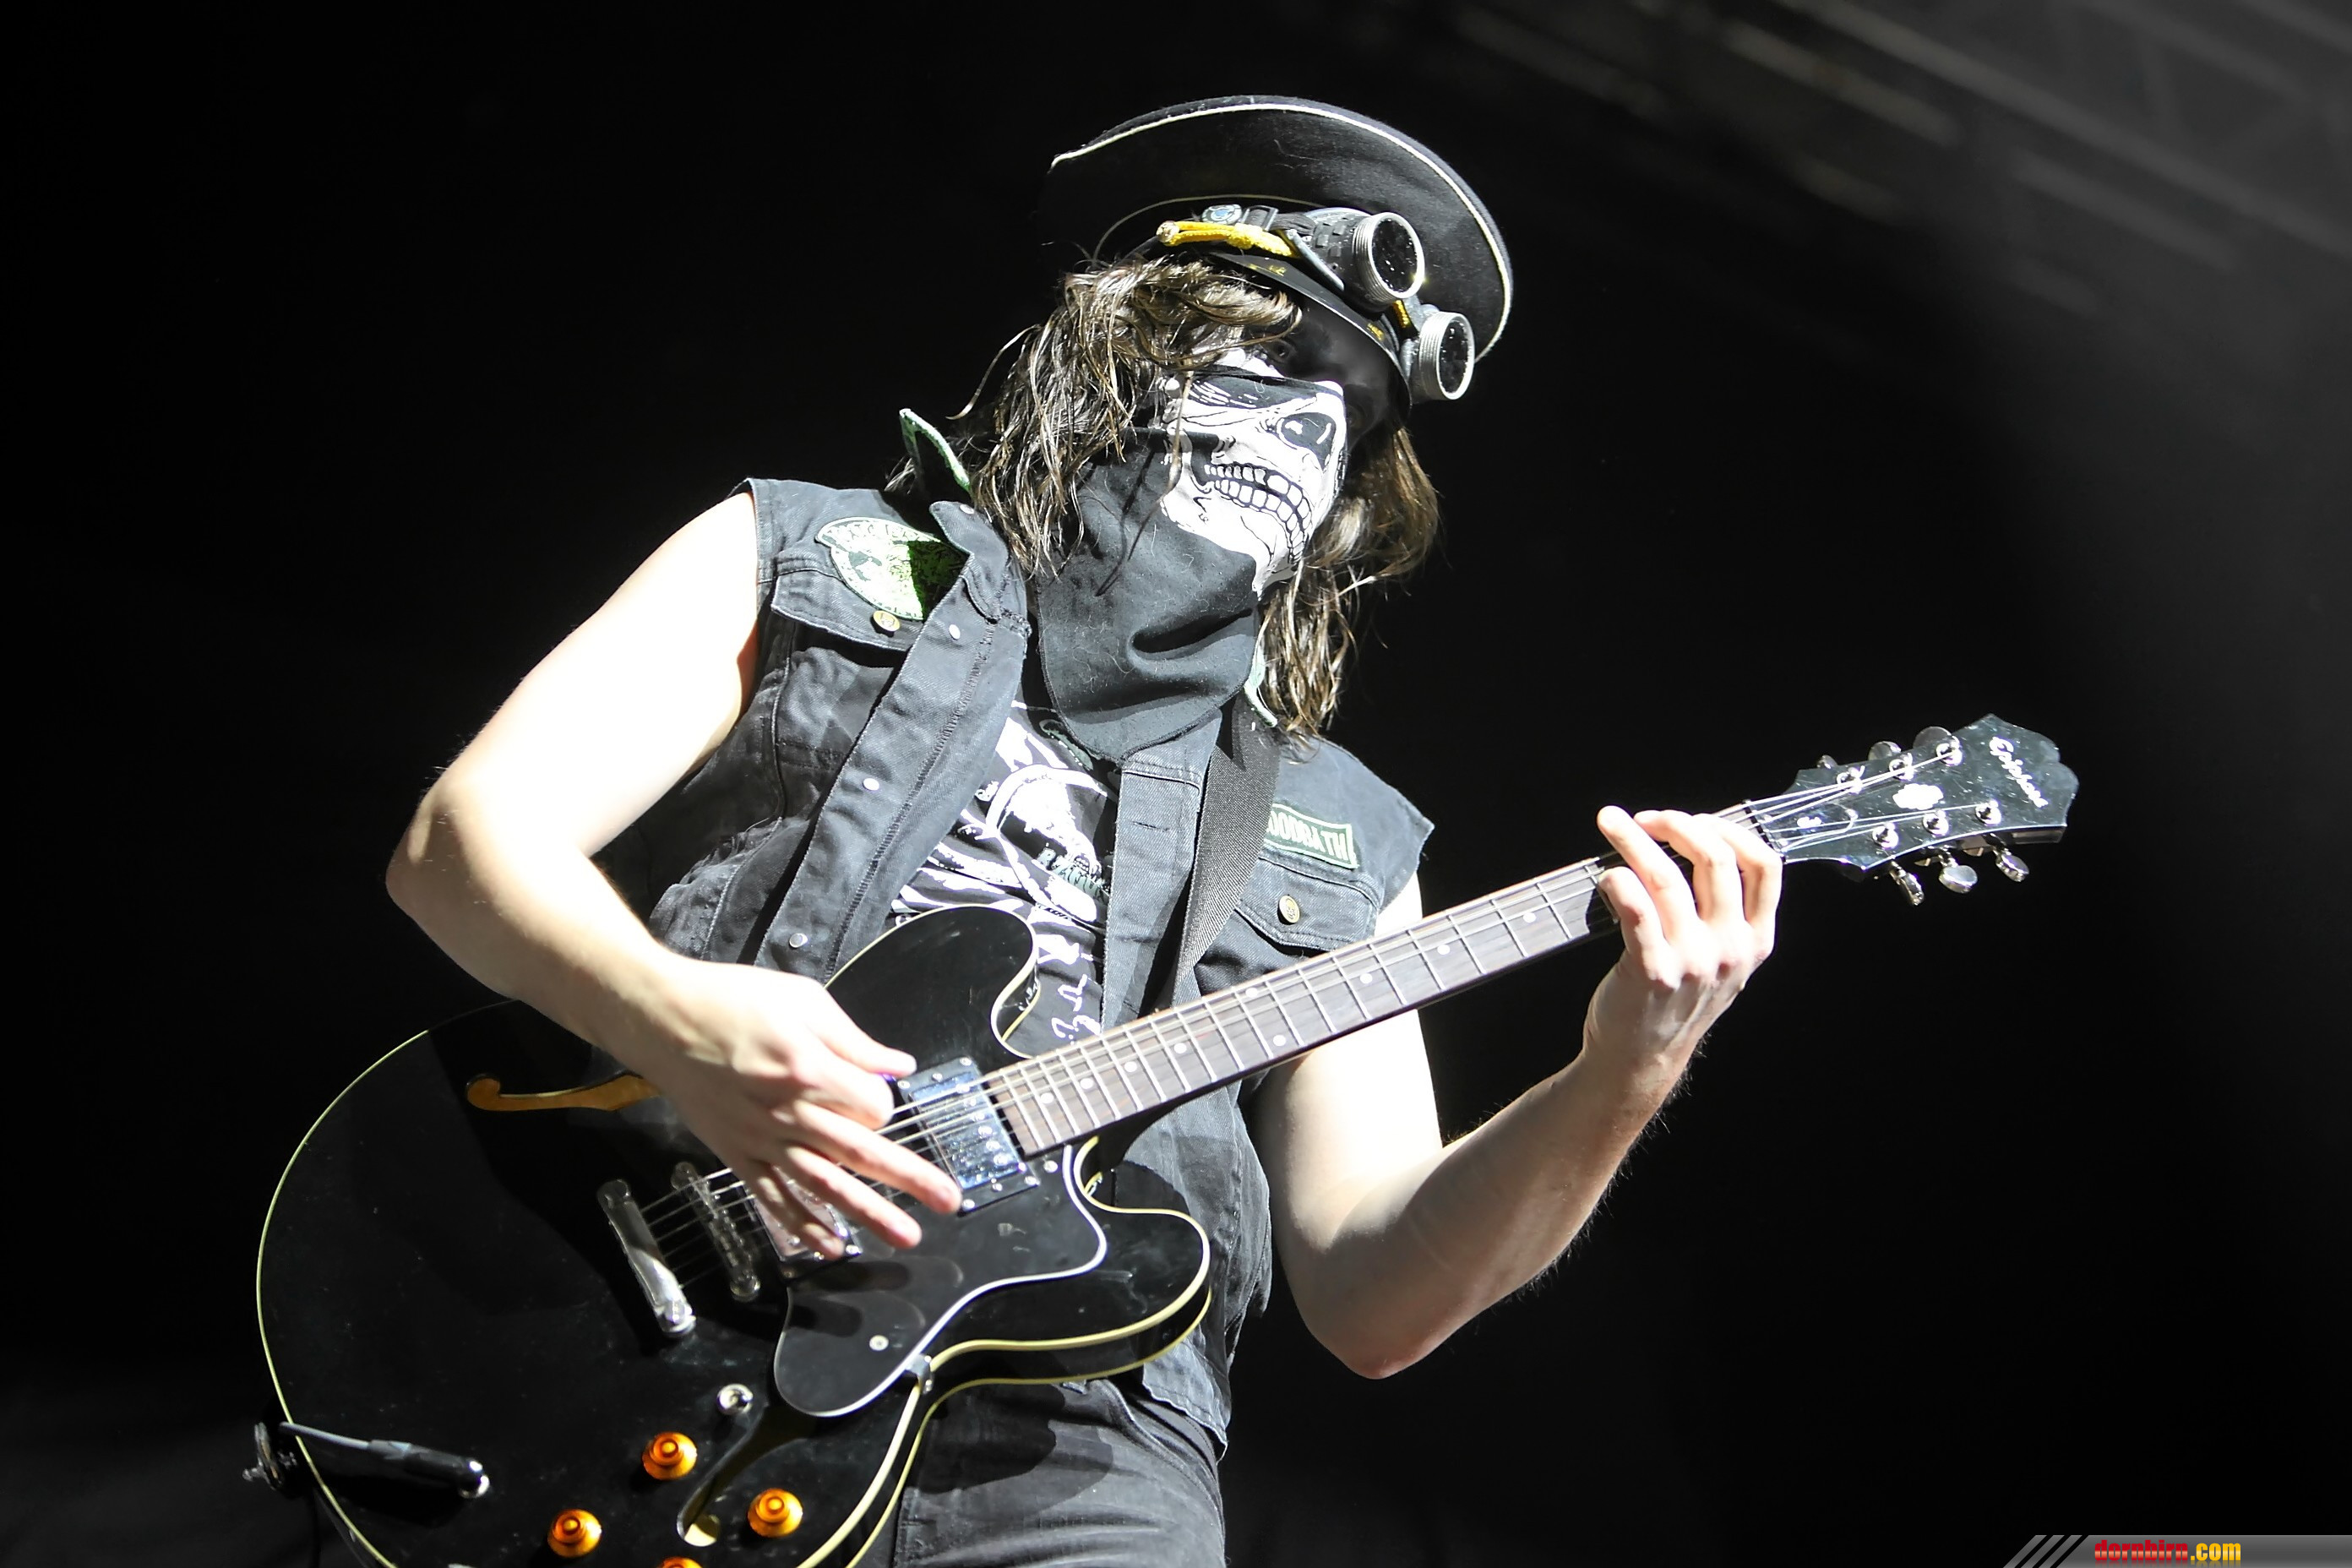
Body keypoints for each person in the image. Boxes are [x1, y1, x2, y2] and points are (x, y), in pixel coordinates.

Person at [386, 95, 1780, 1567]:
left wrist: (1628, 1067)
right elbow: (462, 845)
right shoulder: (795, 556)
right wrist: (678, 1024)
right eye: (1277, 358)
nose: (1314, 427)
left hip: (1079, 1465)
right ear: (1125, 344)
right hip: (650, 1326)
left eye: (1356, 410)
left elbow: (1376, 1299)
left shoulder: (1342, 833)